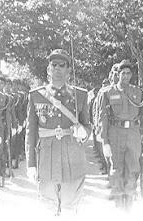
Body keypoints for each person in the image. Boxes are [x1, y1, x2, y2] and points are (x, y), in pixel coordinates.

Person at [25, 49, 91, 214]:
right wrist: (31, 164)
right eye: (54, 64)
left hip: (72, 159)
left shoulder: (80, 95)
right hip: (47, 160)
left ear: (69, 70)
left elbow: (87, 126)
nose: (57, 68)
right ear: (48, 68)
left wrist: (83, 132)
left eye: (62, 65)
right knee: (48, 207)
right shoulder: (36, 96)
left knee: (70, 207)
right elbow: (30, 133)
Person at [98, 60, 143, 210]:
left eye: (128, 73)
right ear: (117, 75)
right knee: (117, 168)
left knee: (133, 167)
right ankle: (119, 203)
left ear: (131, 75)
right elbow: (103, 118)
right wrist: (104, 141)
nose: (125, 76)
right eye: (122, 73)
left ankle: (130, 201)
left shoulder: (139, 93)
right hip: (115, 134)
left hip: (133, 134)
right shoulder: (108, 93)